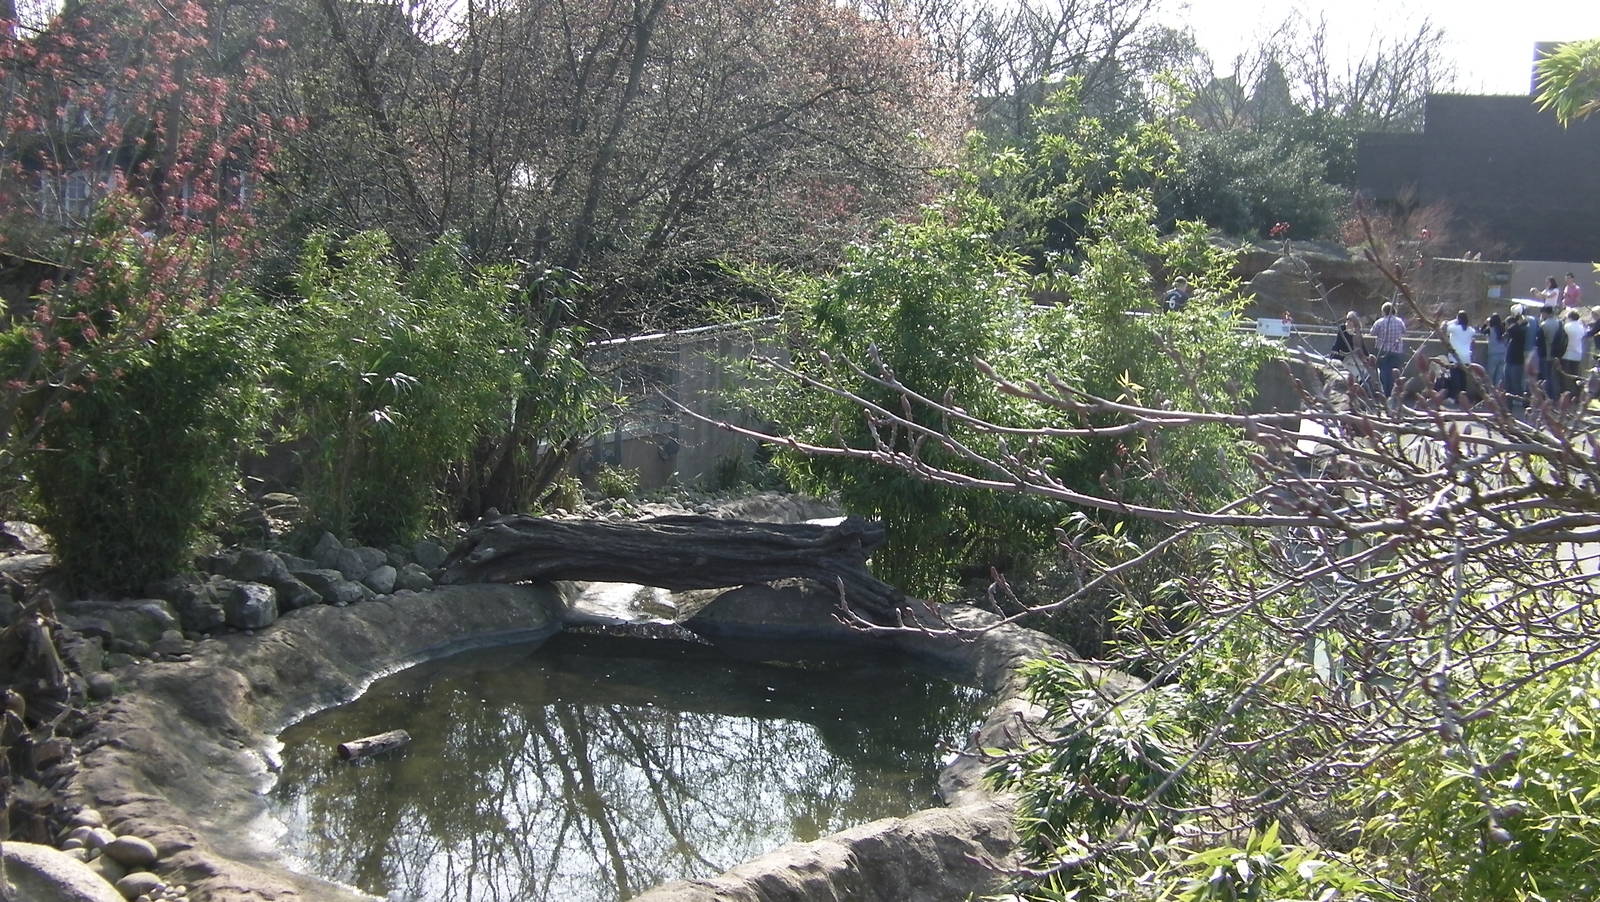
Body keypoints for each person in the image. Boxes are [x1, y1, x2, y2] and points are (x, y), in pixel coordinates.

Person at [1371, 301, 1407, 398]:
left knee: (1384, 372)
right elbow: (1404, 331)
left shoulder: (1380, 322)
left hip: (1383, 350)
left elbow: (1372, 333)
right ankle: (1395, 393)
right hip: (1397, 350)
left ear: (1383, 311)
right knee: (1395, 372)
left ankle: (1385, 393)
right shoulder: (1399, 321)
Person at [1444, 310, 1476, 404]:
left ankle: (1454, 398)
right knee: (1463, 379)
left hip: (1455, 357)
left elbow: (1445, 326)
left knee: (1454, 379)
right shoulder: (1471, 330)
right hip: (1466, 358)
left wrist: (1454, 320)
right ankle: (1463, 399)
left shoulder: (1454, 328)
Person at [1538, 304, 1565, 397]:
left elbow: (1539, 341)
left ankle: (1548, 396)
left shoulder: (1544, 325)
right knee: (1554, 377)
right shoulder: (1560, 323)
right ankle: (1556, 396)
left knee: (1547, 377)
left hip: (1546, 354)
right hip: (1558, 354)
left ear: (1545, 313)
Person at [1559, 309, 1587, 397]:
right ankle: (1577, 393)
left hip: (1567, 353)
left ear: (1569, 317)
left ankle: (1566, 393)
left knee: (1565, 375)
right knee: (1575, 375)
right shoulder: (1581, 327)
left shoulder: (1566, 326)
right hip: (1578, 353)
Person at [1504, 311, 1529, 401]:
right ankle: (1509, 400)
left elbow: (1512, 330)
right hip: (1509, 361)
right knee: (1508, 383)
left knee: (1516, 383)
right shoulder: (1514, 333)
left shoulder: (1519, 331)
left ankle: (1519, 401)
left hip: (1516, 362)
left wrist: (1517, 322)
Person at [1481, 313, 1509, 390]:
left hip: (1493, 353)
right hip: (1503, 354)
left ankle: (1490, 391)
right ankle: (1497, 391)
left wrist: (1485, 323)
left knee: (1490, 375)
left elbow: (1482, 331)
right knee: (1499, 376)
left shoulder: (1490, 329)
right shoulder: (1503, 329)